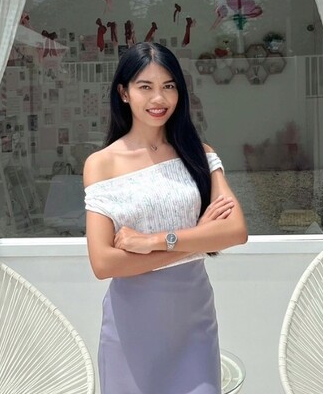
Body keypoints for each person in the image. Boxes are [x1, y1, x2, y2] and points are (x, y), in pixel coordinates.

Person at [84, 41, 248, 394]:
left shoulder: (199, 154)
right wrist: (198, 238)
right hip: (131, 329)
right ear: (124, 93)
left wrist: (153, 241)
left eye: (168, 86)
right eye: (145, 87)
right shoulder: (102, 164)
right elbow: (103, 263)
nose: (159, 98)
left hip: (194, 324)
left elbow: (235, 231)